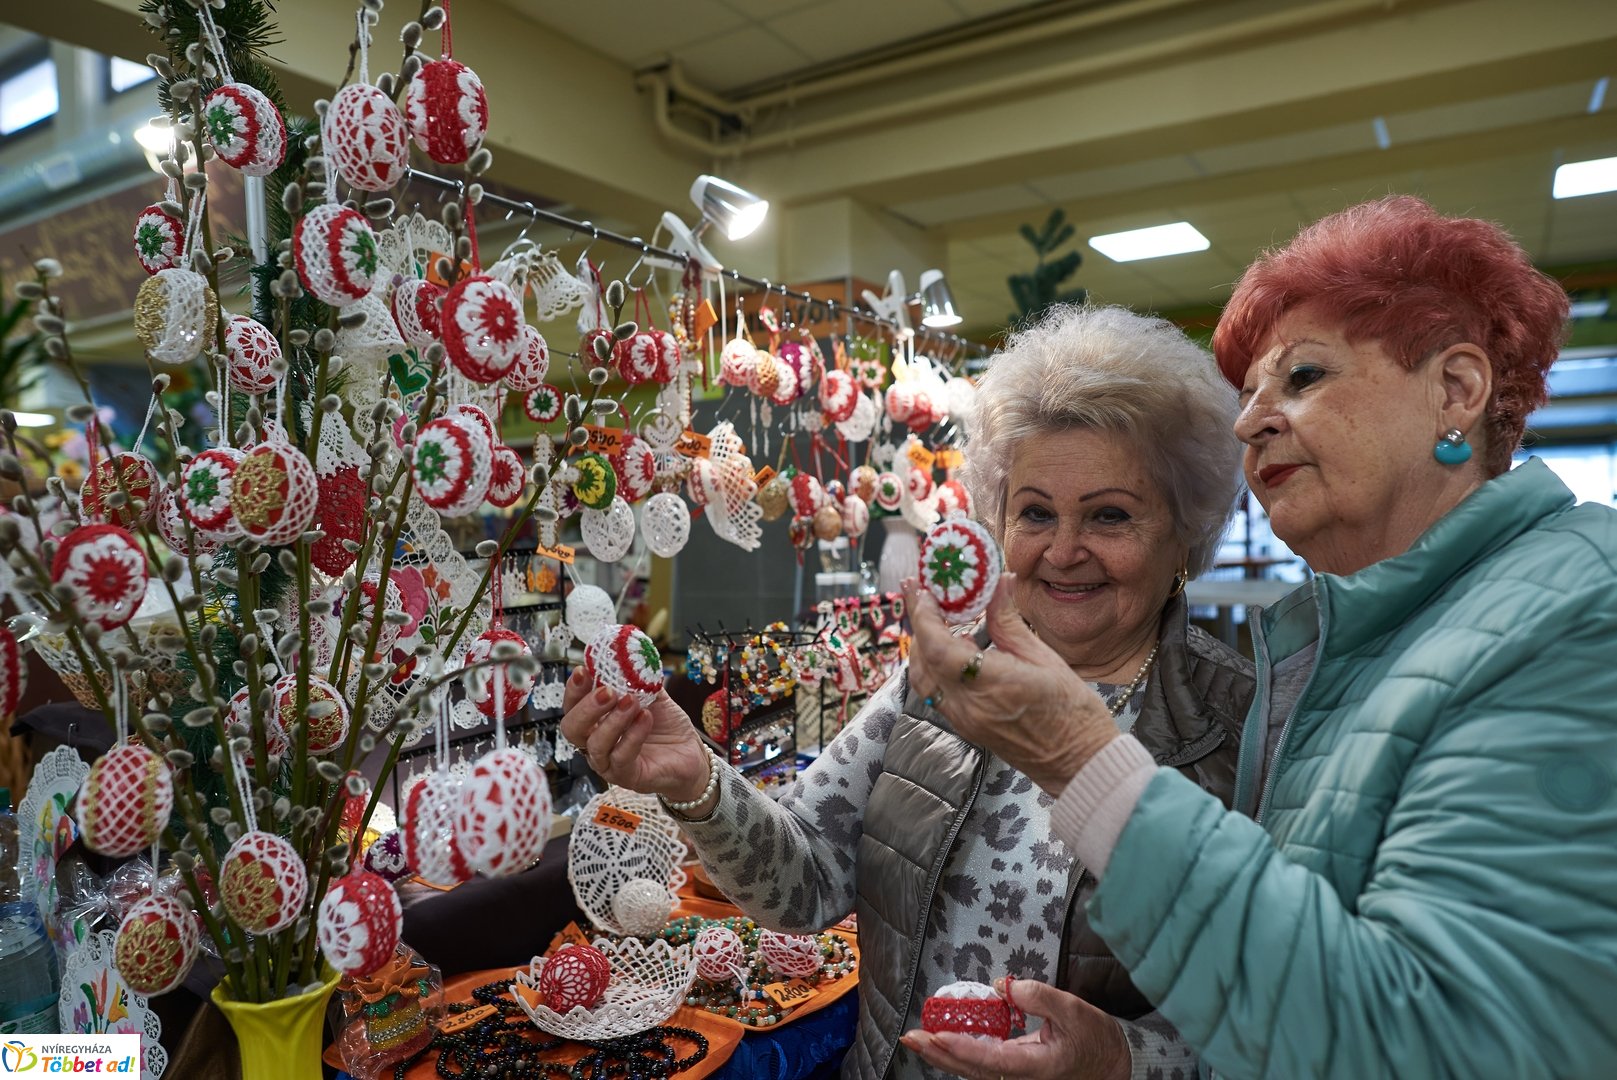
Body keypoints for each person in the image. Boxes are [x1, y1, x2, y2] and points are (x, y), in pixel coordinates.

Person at [898, 195, 1617, 1080]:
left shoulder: (1571, 613)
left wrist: (1079, 758)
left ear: (1455, 390)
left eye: (1303, 377)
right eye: (1248, 396)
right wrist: (1121, 1057)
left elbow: (1435, 1039)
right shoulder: (1354, 646)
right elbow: (1289, 990)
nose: (1249, 421)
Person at [562, 304, 1256, 1079]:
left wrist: (1119, 1059)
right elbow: (805, 884)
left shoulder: (1242, 728)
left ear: (1184, 532)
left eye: (1110, 515)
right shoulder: (939, 679)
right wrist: (695, 781)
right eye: (1035, 512)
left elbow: (1282, 1033)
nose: (1063, 551)